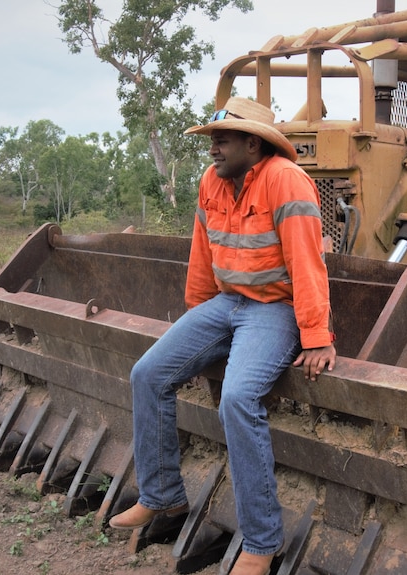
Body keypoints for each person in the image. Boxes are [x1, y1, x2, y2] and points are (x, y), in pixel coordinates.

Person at [109, 97, 337, 575]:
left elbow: (307, 261)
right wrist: (195, 321)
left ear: (253, 144)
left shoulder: (285, 180)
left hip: (274, 309)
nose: (212, 148)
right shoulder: (211, 182)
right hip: (225, 305)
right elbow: (202, 253)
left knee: (237, 397)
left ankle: (261, 541)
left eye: (222, 139)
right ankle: (162, 497)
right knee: (148, 373)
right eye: (212, 139)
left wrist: (316, 334)